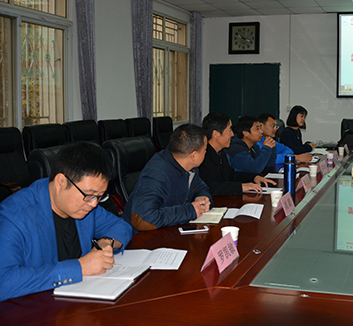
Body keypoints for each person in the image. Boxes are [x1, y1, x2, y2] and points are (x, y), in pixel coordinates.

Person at [0, 142, 133, 302]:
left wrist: (106, 242)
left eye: (99, 196)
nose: (94, 204)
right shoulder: (12, 217)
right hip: (33, 307)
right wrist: (79, 267)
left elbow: (121, 226)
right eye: (89, 195)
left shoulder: (86, 207)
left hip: (80, 299)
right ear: (61, 182)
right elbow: (4, 282)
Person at [124, 124, 213, 232]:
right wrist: (190, 210)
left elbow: (201, 187)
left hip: (171, 229)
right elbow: (144, 220)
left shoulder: (189, 166)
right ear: (193, 155)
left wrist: (202, 198)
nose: (206, 153)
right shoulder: (156, 174)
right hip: (143, 237)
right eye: (205, 150)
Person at [199, 112, 275, 196]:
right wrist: (240, 187)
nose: (232, 134)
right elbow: (210, 187)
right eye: (229, 130)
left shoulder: (221, 152)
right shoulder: (203, 155)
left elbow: (231, 175)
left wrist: (254, 178)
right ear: (215, 134)